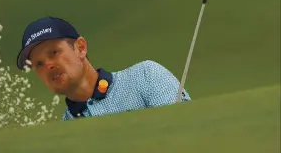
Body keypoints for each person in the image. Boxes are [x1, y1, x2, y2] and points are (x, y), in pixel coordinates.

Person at [16, 16, 191, 120]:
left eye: (54, 52)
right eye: (38, 64)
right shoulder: (66, 129)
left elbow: (183, 130)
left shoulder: (145, 76)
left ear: (81, 48)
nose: (48, 65)